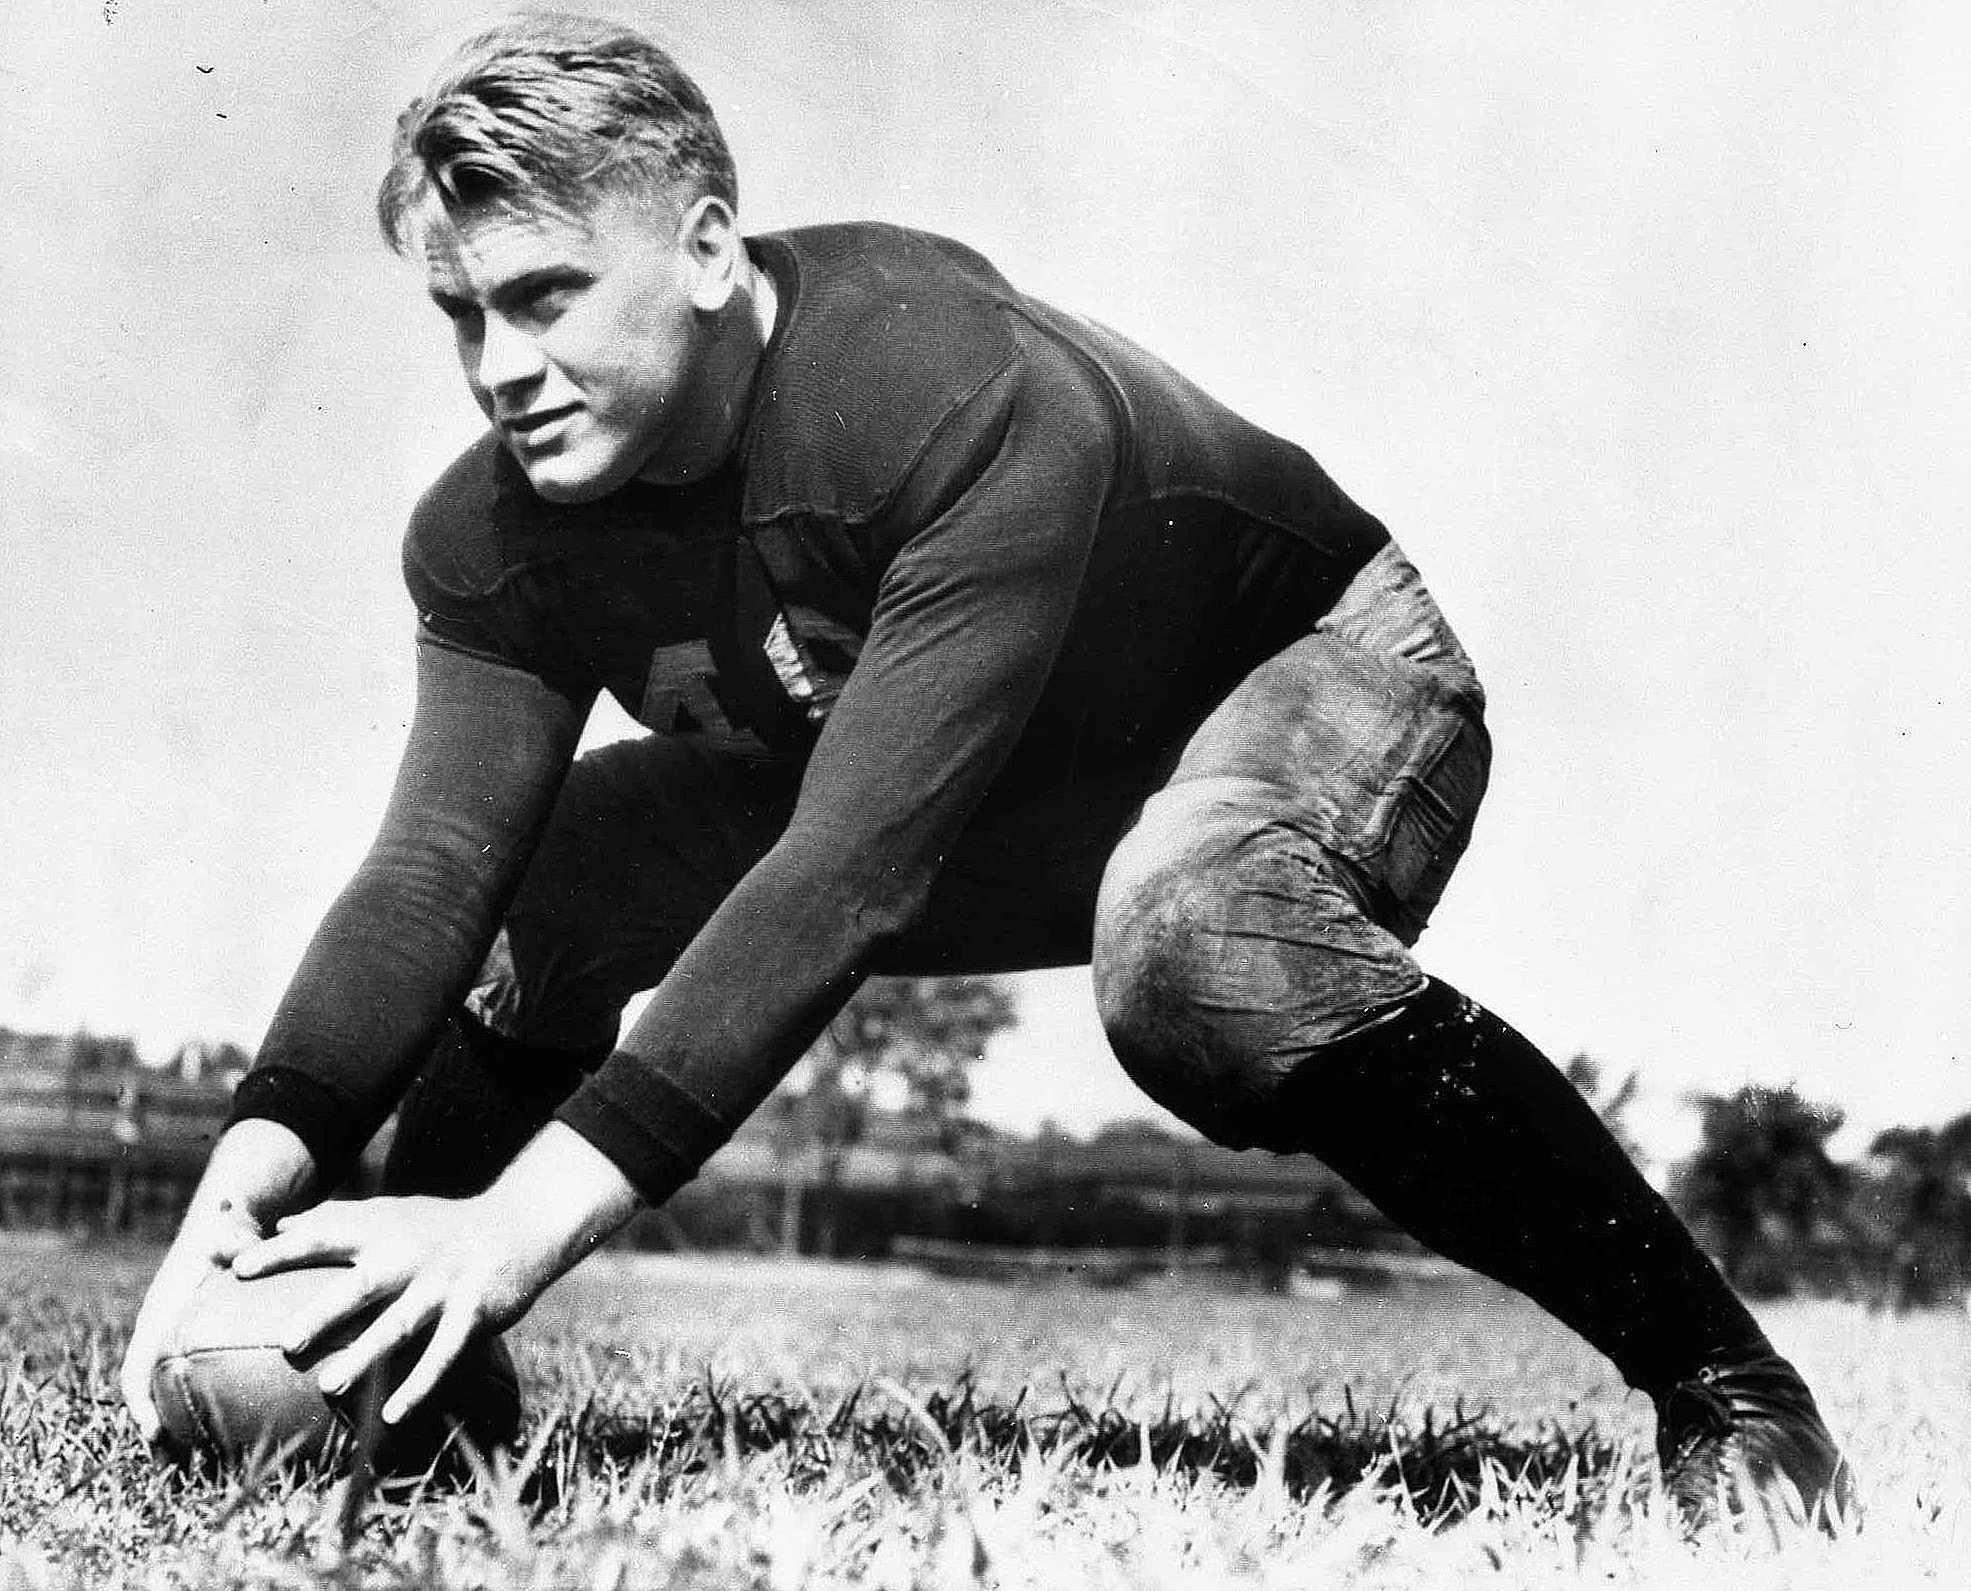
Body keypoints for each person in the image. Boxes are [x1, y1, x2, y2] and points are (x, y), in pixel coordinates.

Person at [121, 10, 1851, 1527]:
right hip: (972, 778)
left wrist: (512, 1228)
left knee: (1197, 946)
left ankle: (1730, 1389)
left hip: (1287, 676)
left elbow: (850, 868)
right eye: (461, 316)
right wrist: (244, 1185)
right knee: (535, 885)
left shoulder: (943, 386)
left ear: (711, 250)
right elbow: (434, 871)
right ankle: (417, 1393)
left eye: (546, 297)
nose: (501, 368)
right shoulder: (497, 534)